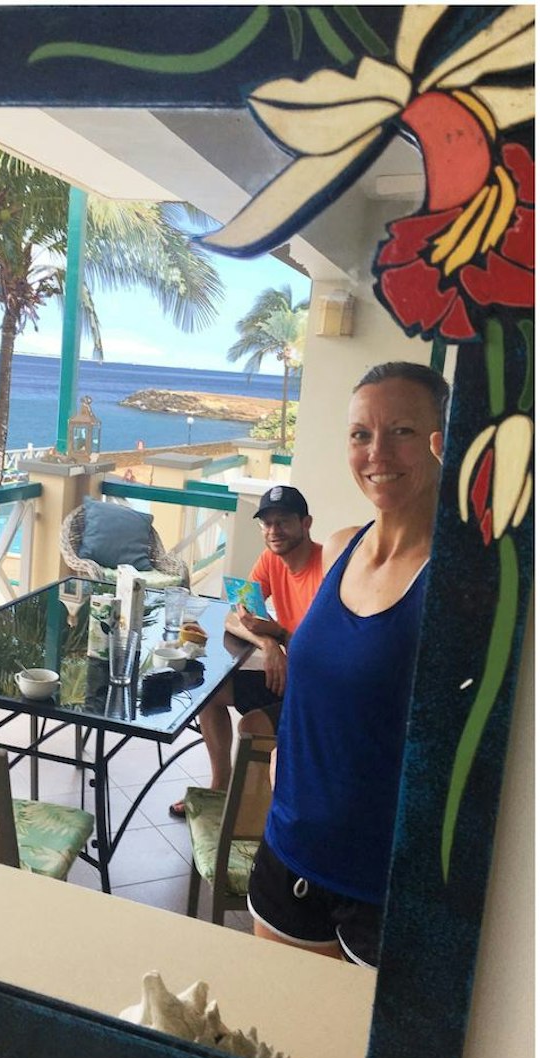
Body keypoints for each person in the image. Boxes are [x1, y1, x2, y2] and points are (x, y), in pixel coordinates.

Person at [247, 362, 444, 967]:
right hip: (291, 849)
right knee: (275, 1046)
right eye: (361, 434)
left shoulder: (464, 579)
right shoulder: (340, 545)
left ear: (445, 439)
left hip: (382, 886)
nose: (377, 452)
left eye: (404, 431)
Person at [170, 484, 323, 817]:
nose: (273, 531)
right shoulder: (271, 559)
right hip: (286, 676)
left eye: (283, 522)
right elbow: (234, 615)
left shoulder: (325, 570)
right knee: (208, 691)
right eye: (267, 523)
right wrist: (268, 643)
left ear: (306, 523)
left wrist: (279, 634)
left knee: (252, 725)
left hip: (316, 692)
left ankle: (252, 815)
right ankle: (220, 787)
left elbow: (321, 652)